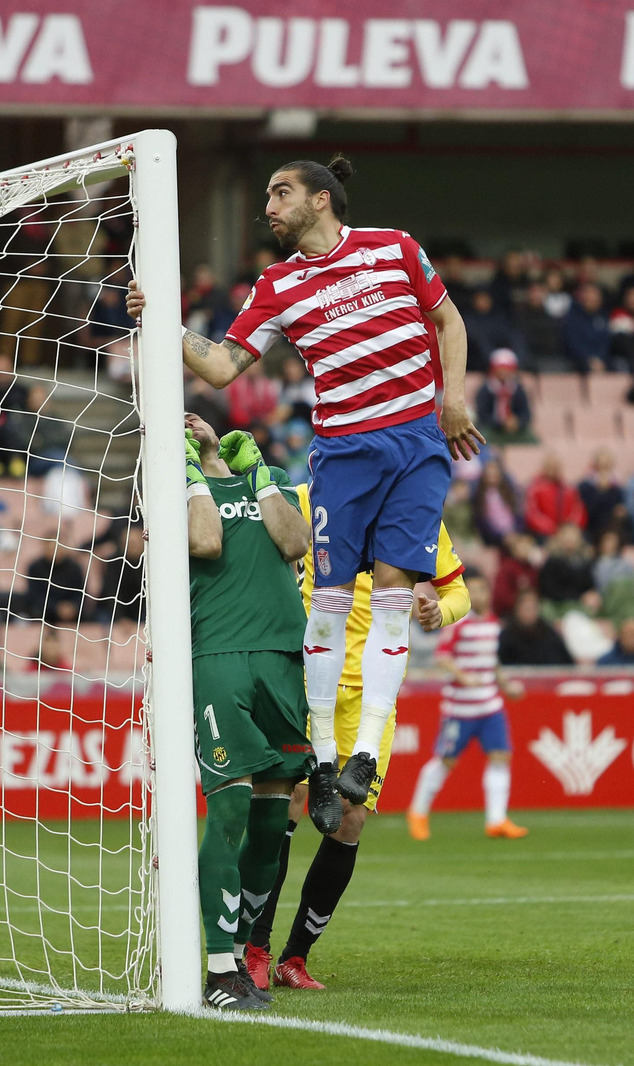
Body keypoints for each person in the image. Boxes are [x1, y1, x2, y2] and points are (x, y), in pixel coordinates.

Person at [130, 155, 483, 818]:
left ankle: (364, 754)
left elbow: (450, 322)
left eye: (280, 192)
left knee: (394, 602)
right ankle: (321, 760)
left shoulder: (396, 249)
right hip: (343, 453)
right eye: (266, 193)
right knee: (326, 604)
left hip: (414, 443)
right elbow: (222, 368)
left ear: (322, 199)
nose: (268, 205)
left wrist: (455, 398)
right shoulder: (278, 285)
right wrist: (164, 326)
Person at [245, 460, 469, 993]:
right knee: (291, 804)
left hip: (372, 702)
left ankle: (295, 957)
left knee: (351, 821)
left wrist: (441, 611)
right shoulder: (303, 500)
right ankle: (254, 946)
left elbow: (460, 591)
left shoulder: (415, 513)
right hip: (305, 684)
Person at [181, 413, 313, 1010]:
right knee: (229, 810)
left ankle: (242, 955)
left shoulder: (273, 480)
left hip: (285, 656)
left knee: (271, 827)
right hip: (221, 655)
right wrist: (191, 471)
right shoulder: (174, 493)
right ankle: (217, 970)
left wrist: (254, 470)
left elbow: (294, 542)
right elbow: (206, 541)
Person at [407, 571, 529, 842]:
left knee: (501, 756)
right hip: (460, 709)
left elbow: (491, 660)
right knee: (445, 761)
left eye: (482, 590)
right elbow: (442, 657)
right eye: (471, 591)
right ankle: (418, 813)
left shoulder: (493, 623)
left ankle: (496, 820)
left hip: (490, 706)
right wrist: (465, 678)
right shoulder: (458, 623)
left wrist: (506, 685)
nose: (478, 596)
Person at [498, 588, 574, 666]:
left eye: (533, 607)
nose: (530, 612)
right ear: (517, 609)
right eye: (527, 608)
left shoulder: (548, 634)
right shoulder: (507, 637)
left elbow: (566, 664)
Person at [475, 349, 535, 443]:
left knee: (532, 440)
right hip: (492, 430)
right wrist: (501, 423)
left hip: (516, 431)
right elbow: (482, 415)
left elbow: (526, 414)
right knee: (483, 439)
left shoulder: (518, 390)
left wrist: (517, 422)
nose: (503, 373)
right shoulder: (486, 390)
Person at [523, 454, 586, 541]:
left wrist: (570, 528)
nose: (553, 469)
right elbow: (532, 515)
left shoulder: (568, 489)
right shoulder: (534, 488)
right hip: (544, 533)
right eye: (550, 466)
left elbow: (578, 510)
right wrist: (554, 529)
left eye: (556, 467)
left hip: (568, 533)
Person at [560, 282, 609, 373]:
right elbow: (573, 343)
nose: (590, 297)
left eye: (593, 294)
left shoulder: (604, 317)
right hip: (578, 361)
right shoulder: (572, 318)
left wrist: (600, 359)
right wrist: (589, 359)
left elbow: (606, 342)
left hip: (602, 360)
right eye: (587, 294)